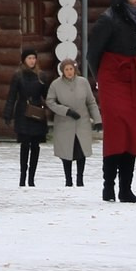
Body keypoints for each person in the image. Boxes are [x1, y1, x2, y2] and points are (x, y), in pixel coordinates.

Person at [84, 0, 136, 202]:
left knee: (133, 130)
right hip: (113, 75)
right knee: (116, 131)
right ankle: (108, 186)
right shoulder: (108, 19)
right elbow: (92, 53)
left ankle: (126, 188)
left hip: (134, 75)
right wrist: (101, 78)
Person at [45, 56, 100, 187]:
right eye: (66, 69)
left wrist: (98, 119)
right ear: (62, 71)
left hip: (82, 122)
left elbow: (91, 102)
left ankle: (80, 179)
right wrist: (66, 111)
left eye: (71, 69)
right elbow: (50, 102)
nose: (69, 71)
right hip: (65, 123)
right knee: (66, 151)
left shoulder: (83, 82)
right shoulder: (56, 84)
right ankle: (68, 180)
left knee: (81, 151)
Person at [3, 47, 52, 186]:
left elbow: (48, 96)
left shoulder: (41, 76)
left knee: (35, 146)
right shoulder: (18, 76)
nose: (32, 61)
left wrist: (56, 108)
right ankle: (23, 176)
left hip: (37, 112)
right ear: (24, 60)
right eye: (29, 58)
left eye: (34, 58)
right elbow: (11, 96)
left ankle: (32, 178)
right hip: (23, 112)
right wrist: (8, 114)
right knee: (25, 145)